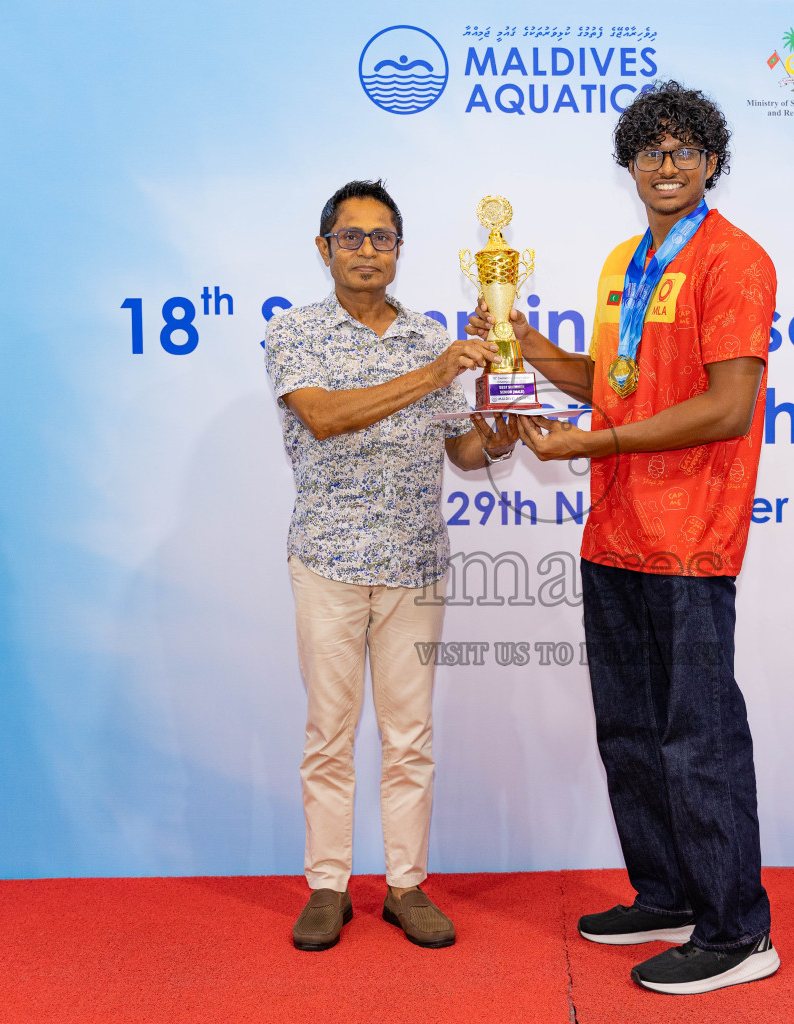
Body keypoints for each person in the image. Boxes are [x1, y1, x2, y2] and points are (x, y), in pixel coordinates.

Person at [470, 82, 778, 995]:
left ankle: (737, 932)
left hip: (691, 538)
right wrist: (520, 342)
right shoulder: (624, 262)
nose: (667, 166)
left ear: (712, 162)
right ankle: (669, 894)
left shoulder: (734, 260)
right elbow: (613, 379)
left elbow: (728, 407)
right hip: (614, 532)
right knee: (631, 732)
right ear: (630, 166)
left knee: (698, 738)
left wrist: (594, 443)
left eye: (684, 152)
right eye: (650, 152)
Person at [265, 179, 517, 952]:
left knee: (410, 735)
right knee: (329, 733)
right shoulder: (295, 331)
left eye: (382, 237)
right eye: (352, 237)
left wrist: (500, 431)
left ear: (399, 250)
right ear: (325, 248)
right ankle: (328, 886)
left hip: (416, 564)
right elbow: (324, 417)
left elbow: (461, 450)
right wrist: (437, 373)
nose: (367, 250)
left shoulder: (427, 335)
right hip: (329, 561)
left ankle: (406, 885)